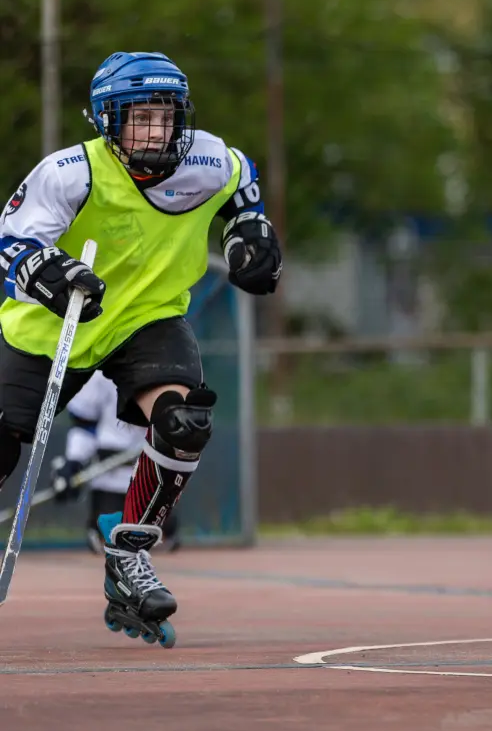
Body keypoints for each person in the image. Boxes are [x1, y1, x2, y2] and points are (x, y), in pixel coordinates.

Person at [0, 51, 281, 647]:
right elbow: (11, 240)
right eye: (139, 117)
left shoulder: (210, 160)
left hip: (145, 320)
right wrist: (46, 269)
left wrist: (249, 241)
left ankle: (129, 553)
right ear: (107, 121)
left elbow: (244, 198)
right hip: (53, 326)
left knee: (184, 421)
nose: (157, 131)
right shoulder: (70, 172)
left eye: (167, 115)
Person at [51, 371, 180, 555]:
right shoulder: (101, 372)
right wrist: (73, 462)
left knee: (159, 543)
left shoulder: (170, 367)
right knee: (111, 542)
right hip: (110, 478)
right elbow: (85, 425)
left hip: (154, 477)